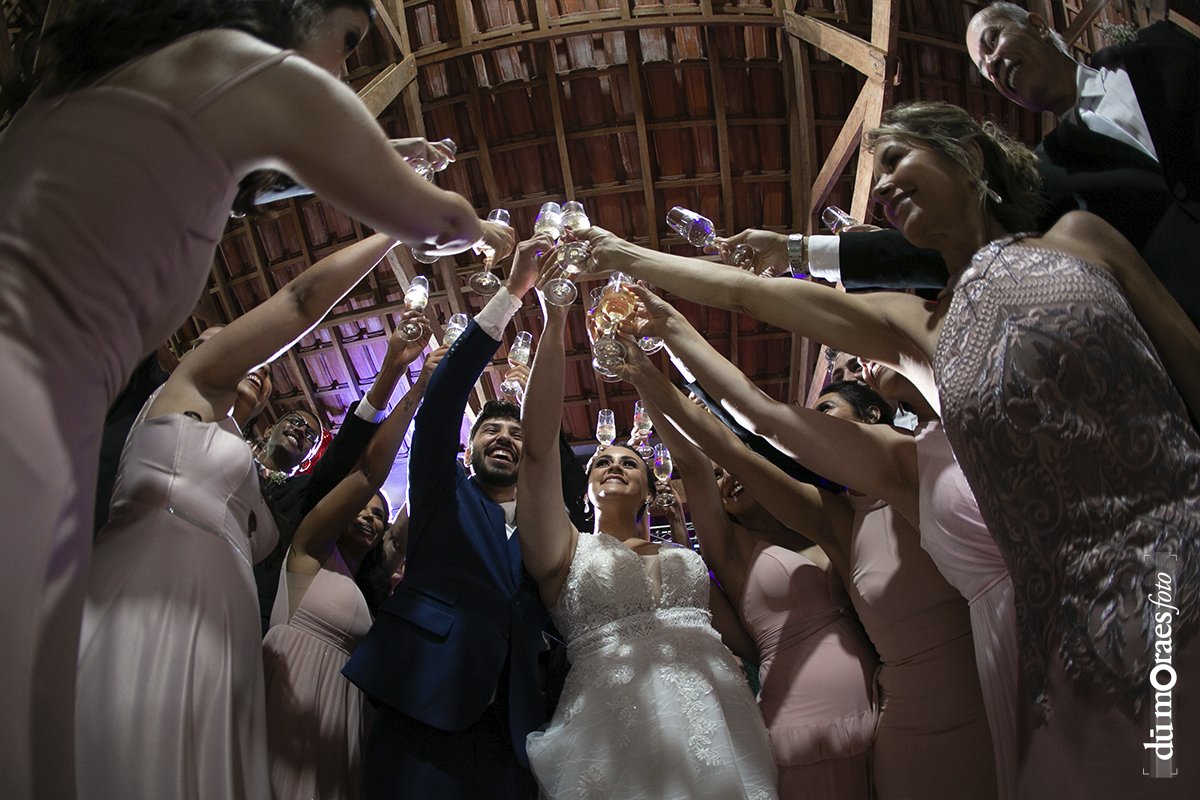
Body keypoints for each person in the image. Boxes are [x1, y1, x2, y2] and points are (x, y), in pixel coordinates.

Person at [583, 99, 1200, 797]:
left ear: (968, 152)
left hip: (1177, 559)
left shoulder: (1084, 239)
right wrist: (640, 272)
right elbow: (750, 309)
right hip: (1063, 628)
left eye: (898, 159)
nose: (881, 186)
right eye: (877, 174)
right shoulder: (915, 327)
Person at [0, 1, 517, 794]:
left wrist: (392, 162)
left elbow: (267, 180)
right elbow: (395, 243)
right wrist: (482, 236)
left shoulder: (119, 79)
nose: (345, 70)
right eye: (348, 42)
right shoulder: (250, 69)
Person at [75, 233, 411, 799]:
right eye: (223, 343)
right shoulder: (169, 395)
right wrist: (397, 224)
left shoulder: (266, 486)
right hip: (153, 581)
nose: (247, 357)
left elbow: (355, 476)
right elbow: (301, 301)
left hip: (232, 633)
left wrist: (408, 381)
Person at [617, 300, 997, 799]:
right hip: (891, 724)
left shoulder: (940, 470)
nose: (809, 429)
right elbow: (736, 443)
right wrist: (645, 372)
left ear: (873, 413)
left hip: (975, 698)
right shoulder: (837, 523)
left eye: (825, 411)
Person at [515, 283, 778, 800]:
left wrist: (642, 375)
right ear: (586, 487)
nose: (614, 465)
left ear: (650, 484)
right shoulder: (565, 552)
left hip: (718, 721)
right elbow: (539, 453)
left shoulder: (685, 557)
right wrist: (556, 315)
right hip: (613, 733)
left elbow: (745, 644)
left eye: (628, 461)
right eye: (601, 462)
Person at [342, 235, 553, 800]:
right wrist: (513, 292)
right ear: (469, 447)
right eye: (492, 429)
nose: (506, 437)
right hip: (424, 698)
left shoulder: (549, 525)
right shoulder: (442, 489)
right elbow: (441, 403)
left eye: (517, 432)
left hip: (517, 729)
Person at [637, 391, 878, 800]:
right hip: (801, 714)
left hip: (878, 698)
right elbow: (694, 468)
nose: (726, 477)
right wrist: (651, 385)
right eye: (719, 476)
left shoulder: (822, 515)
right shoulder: (731, 547)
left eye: (733, 467)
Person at [263, 338, 445, 800]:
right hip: (289, 699)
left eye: (378, 514)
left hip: (343, 717)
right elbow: (367, 473)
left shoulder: (371, 586)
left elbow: (413, 519)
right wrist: (419, 384)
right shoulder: (309, 548)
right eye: (361, 509)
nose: (368, 515)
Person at [965, 2, 1200, 324]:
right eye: (985, 71)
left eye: (992, 41)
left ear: (1038, 26)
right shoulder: (1050, 174)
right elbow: (971, 234)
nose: (991, 64)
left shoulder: (1159, 46)